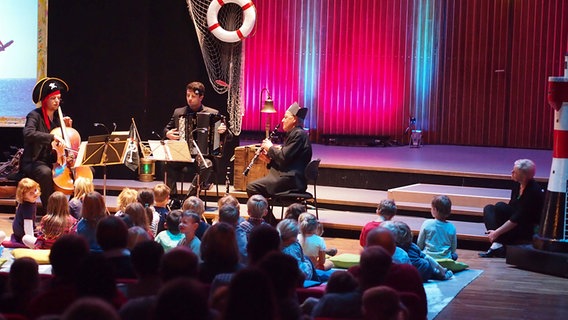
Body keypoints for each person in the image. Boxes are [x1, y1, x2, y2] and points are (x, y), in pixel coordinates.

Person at [162, 81, 231, 197]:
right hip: (183, 155)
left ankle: (190, 197)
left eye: (193, 96)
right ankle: (173, 198)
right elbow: (165, 130)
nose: (189, 99)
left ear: (201, 97)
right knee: (166, 163)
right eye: (188, 95)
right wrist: (167, 134)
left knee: (207, 165)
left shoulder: (213, 114)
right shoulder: (179, 112)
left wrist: (224, 131)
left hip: (202, 157)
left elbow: (229, 137)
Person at [21, 77, 73, 210]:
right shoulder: (34, 116)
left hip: (55, 162)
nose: (57, 101)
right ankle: (49, 211)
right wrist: (51, 137)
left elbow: (66, 143)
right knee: (45, 173)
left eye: (58, 98)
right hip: (35, 161)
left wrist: (67, 128)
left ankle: (72, 209)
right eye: (53, 98)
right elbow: (28, 133)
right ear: (45, 100)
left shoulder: (59, 118)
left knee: (81, 171)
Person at [480, 159, 545, 258]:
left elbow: (517, 218)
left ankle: (498, 244)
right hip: (514, 222)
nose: (511, 172)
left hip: (525, 227)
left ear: (523, 176)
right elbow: (512, 207)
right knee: (489, 209)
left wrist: (496, 233)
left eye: (514, 171)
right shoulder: (517, 184)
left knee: (500, 206)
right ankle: (498, 243)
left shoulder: (533, 191)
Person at [246, 102, 312, 199]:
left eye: (285, 117)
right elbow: (288, 161)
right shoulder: (296, 133)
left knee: (252, 187)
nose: (282, 120)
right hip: (290, 178)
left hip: (292, 181)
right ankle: (266, 213)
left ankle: (266, 213)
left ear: (294, 119)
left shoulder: (298, 134)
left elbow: (283, 157)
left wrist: (270, 147)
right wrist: (269, 161)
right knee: (255, 187)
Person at [417, 195, 458, 260]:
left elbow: (420, 244)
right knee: (455, 255)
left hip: (428, 258)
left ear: (435, 210)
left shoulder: (427, 223)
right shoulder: (451, 227)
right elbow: (453, 249)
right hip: (445, 259)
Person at [9, 178, 40, 244]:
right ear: (23, 196)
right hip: (22, 231)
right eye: (31, 193)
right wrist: (31, 239)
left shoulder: (30, 201)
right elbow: (27, 224)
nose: (35, 193)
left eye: (35, 190)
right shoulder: (27, 206)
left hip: (21, 230)